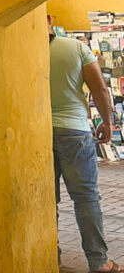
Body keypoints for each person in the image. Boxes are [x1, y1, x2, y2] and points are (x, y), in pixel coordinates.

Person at [49, 16, 122, 272]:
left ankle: (50, 256)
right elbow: (100, 89)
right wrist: (107, 123)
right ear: (49, 21)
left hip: (38, 132)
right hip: (75, 131)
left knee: (48, 201)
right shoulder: (75, 47)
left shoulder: (22, 51)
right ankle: (99, 262)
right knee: (86, 198)